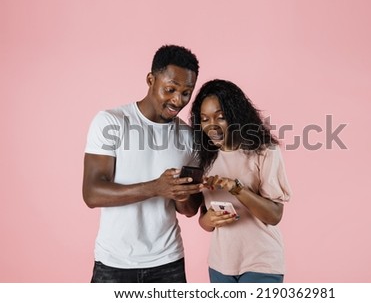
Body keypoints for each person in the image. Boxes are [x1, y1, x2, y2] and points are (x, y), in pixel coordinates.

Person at [83, 45, 203, 283]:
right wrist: (155, 188)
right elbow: (92, 193)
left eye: (187, 93)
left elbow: (189, 210)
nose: (178, 100)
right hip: (113, 262)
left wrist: (180, 193)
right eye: (170, 89)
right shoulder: (111, 122)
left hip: (168, 261)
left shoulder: (189, 137)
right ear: (151, 79)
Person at [190, 79, 292, 283]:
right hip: (220, 265)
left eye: (220, 117)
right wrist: (208, 220)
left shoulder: (265, 152)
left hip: (261, 263)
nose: (212, 126)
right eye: (204, 119)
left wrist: (237, 189)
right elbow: (205, 220)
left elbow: (274, 215)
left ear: (236, 116)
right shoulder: (204, 157)